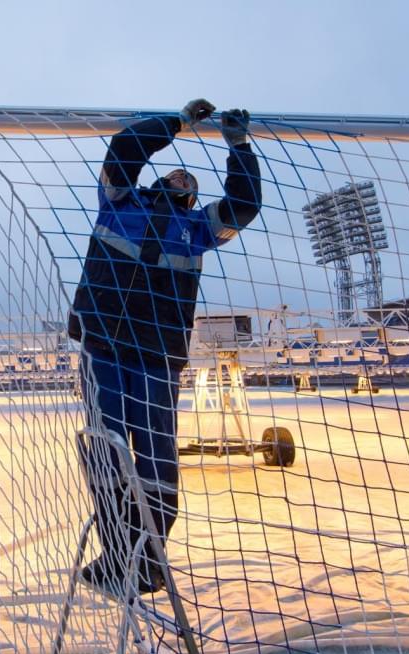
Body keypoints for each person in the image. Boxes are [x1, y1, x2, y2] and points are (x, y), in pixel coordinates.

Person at [67, 98, 262, 594]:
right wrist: (178, 122)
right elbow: (125, 147)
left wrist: (238, 146)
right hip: (103, 345)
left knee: (156, 454)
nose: (182, 177)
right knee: (105, 448)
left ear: (195, 200)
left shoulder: (198, 230)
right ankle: (118, 553)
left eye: (190, 181)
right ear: (158, 180)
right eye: (176, 173)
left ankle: (149, 558)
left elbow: (244, 206)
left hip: (157, 356)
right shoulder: (118, 201)